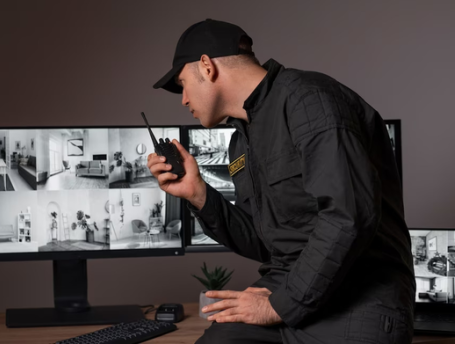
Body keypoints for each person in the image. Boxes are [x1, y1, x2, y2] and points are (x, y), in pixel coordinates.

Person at [148, 19, 415, 344]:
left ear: (207, 67)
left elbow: (350, 216)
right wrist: (199, 194)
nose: (184, 99)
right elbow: (264, 243)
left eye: (183, 83)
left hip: (358, 300)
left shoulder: (310, 99)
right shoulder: (241, 143)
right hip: (284, 292)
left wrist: (281, 305)